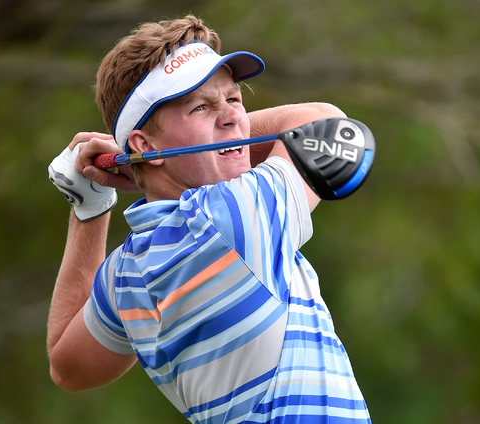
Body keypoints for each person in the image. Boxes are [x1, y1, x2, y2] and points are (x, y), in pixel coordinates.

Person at [47, 15, 371, 423]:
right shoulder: (228, 216)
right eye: (201, 106)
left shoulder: (123, 275)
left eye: (234, 100)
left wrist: (89, 206)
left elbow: (68, 368)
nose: (233, 117)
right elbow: (330, 129)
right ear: (144, 145)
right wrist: (156, 166)